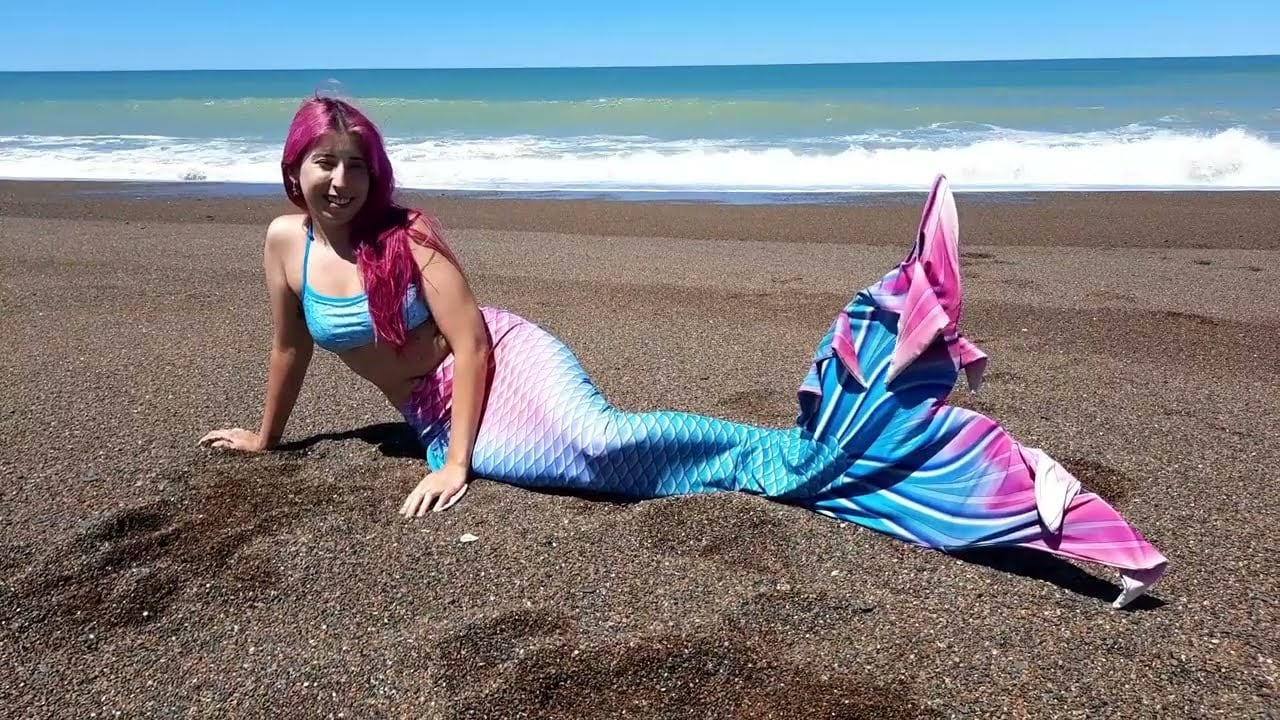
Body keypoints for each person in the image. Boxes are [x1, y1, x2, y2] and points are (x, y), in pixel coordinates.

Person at [200, 96, 1169, 609]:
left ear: (375, 171)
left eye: (354, 164)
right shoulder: (285, 244)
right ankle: (858, 455)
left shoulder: (409, 239)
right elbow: (290, 345)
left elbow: (467, 340)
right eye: (323, 163)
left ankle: (833, 430)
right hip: (431, 411)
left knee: (600, 443)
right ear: (296, 168)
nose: (338, 178)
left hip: (500, 366)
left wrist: (454, 460)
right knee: (605, 466)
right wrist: (263, 434)